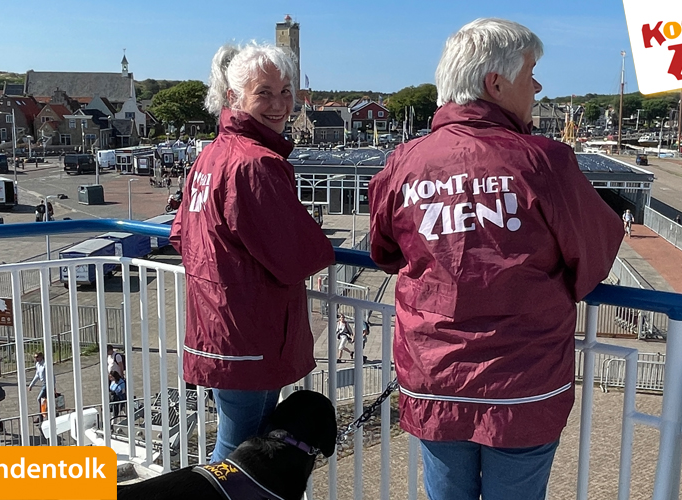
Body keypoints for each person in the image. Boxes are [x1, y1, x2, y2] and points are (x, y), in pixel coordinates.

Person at [368, 18, 623, 500]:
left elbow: (382, 250)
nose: (538, 86)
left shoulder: (407, 160)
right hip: (522, 384)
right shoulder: (543, 161)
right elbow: (593, 254)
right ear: (496, 83)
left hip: (435, 376)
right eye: (531, 73)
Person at [169, 41, 335, 464]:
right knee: (241, 450)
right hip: (251, 333)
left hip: (217, 326)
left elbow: (179, 235)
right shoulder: (255, 163)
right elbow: (297, 254)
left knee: (236, 438)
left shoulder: (209, 156)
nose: (279, 104)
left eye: (286, 92)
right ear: (234, 97)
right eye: (264, 92)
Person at [27, 352, 49, 422]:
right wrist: (31, 385)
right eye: (35, 357)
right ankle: (43, 415)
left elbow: (52, 375)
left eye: (37, 357)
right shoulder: (37, 364)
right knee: (45, 400)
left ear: (41, 357)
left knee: (40, 399)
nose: (36, 359)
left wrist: (53, 386)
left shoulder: (45, 364)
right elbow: (37, 375)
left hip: (48, 384)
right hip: (43, 383)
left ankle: (41, 416)